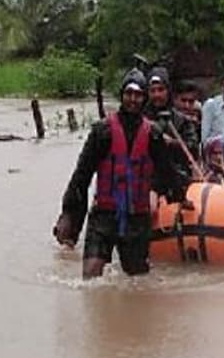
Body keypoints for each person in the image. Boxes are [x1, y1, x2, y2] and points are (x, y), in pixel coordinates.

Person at [53, 69, 193, 279]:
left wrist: (181, 197)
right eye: (129, 93)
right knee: (90, 279)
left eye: (138, 95)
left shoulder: (153, 134)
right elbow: (81, 176)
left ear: (143, 98)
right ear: (122, 96)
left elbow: (167, 172)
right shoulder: (102, 132)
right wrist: (68, 214)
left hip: (137, 218)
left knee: (137, 283)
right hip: (103, 215)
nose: (133, 100)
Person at [143, 67, 198, 180]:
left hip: (175, 179)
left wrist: (172, 143)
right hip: (146, 179)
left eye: (160, 90)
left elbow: (193, 150)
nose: (157, 95)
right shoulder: (140, 118)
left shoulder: (182, 121)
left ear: (168, 91)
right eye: (152, 91)